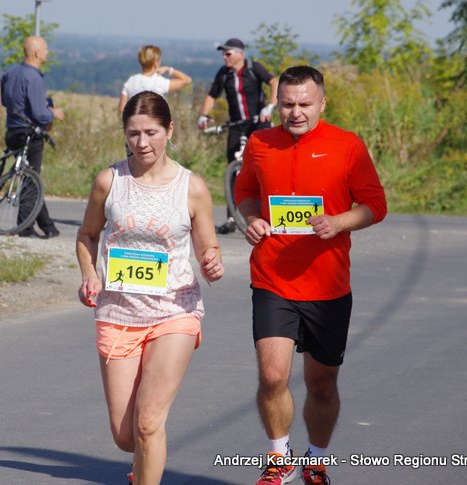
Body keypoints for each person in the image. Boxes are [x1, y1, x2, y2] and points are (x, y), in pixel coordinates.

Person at [234, 66, 387, 485]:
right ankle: (278, 456)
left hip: (327, 285)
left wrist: (339, 222)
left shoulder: (347, 145)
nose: (296, 112)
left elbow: (375, 204)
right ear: (277, 103)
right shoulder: (261, 143)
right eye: (287, 104)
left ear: (322, 103)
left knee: (321, 384)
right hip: (272, 279)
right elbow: (245, 192)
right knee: (272, 377)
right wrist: (252, 218)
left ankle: (315, 460)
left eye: (304, 104)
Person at [76, 90, 223, 485]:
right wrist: (89, 274)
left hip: (175, 311)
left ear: (169, 130)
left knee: (148, 422)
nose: (142, 143)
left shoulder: (191, 187)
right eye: (133, 133)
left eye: (151, 132)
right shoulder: (110, 181)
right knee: (126, 436)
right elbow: (87, 235)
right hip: (118, 312)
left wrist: (211, 261)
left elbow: (207, 246)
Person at [196, 37, 279, 234]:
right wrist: (203, 115)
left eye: (227, 53)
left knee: (263, 165)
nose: (224, 57)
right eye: (223, 54)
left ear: (240, 54)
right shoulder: (224, 74)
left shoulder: (253, 68)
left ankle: (269, 211)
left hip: (258, 121)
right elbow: (212, 95)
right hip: (236, 124)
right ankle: (231, 217)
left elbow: (274, 81)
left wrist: (270, 106)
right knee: (232, 169)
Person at [0, 35, 65, 238]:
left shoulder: (10, 73)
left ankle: (47, 226)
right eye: (45, 49)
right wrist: (53, 113)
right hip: (29, 134)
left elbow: (4, 102)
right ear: (37, 53)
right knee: (31, 180)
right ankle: (25, 226)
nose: (47, 53)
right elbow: (39, 113)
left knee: (28, 176)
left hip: (12, 131)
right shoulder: (34, 78)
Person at [117, 45, 192, 112]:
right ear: (156, 62)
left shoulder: (131, 81)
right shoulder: (159, 81)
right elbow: (187, 80)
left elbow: (121, 108)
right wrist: (168, 69)